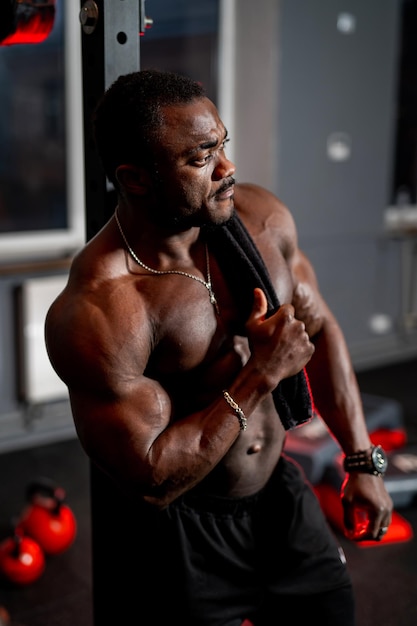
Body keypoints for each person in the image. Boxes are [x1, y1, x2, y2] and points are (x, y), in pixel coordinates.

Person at [45, 69, 393, 626]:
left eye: (223, 145)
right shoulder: (103, 309)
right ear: (135, 179)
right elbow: (152, 478)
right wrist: (260, 374)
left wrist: (361, 460)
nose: (228, 169)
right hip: (183, 533)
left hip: (278, 495)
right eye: (201, 157)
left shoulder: (261, 220)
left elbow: (318, 328)